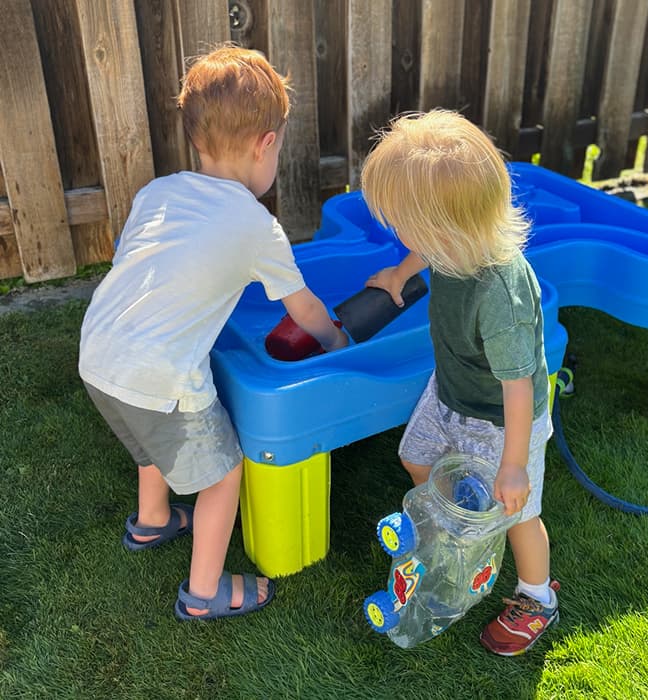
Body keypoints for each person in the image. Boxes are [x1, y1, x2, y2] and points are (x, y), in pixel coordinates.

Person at [78, 46, 348, 621]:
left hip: (99, 353)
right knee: (224, 473)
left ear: (197, 142)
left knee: (151, 439)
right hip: (161, 372)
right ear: (266, 145)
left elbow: (145, 266)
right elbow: (304, 309)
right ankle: (205, 593)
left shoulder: (157, 192)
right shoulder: (257, 225)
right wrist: (336, 343)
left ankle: (152, 522)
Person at [361, 109, 558, 656]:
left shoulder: (500, 293)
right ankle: (449, 524)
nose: (399, 231)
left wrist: (515, 463)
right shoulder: (451, 241)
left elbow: (517, 388)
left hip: (502, 421)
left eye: (404, 223)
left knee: (518, 512)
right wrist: (401, 273)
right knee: (416, 453)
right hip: (450, 390)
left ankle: (537, 596)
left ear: (443, 227)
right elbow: (426, 247)